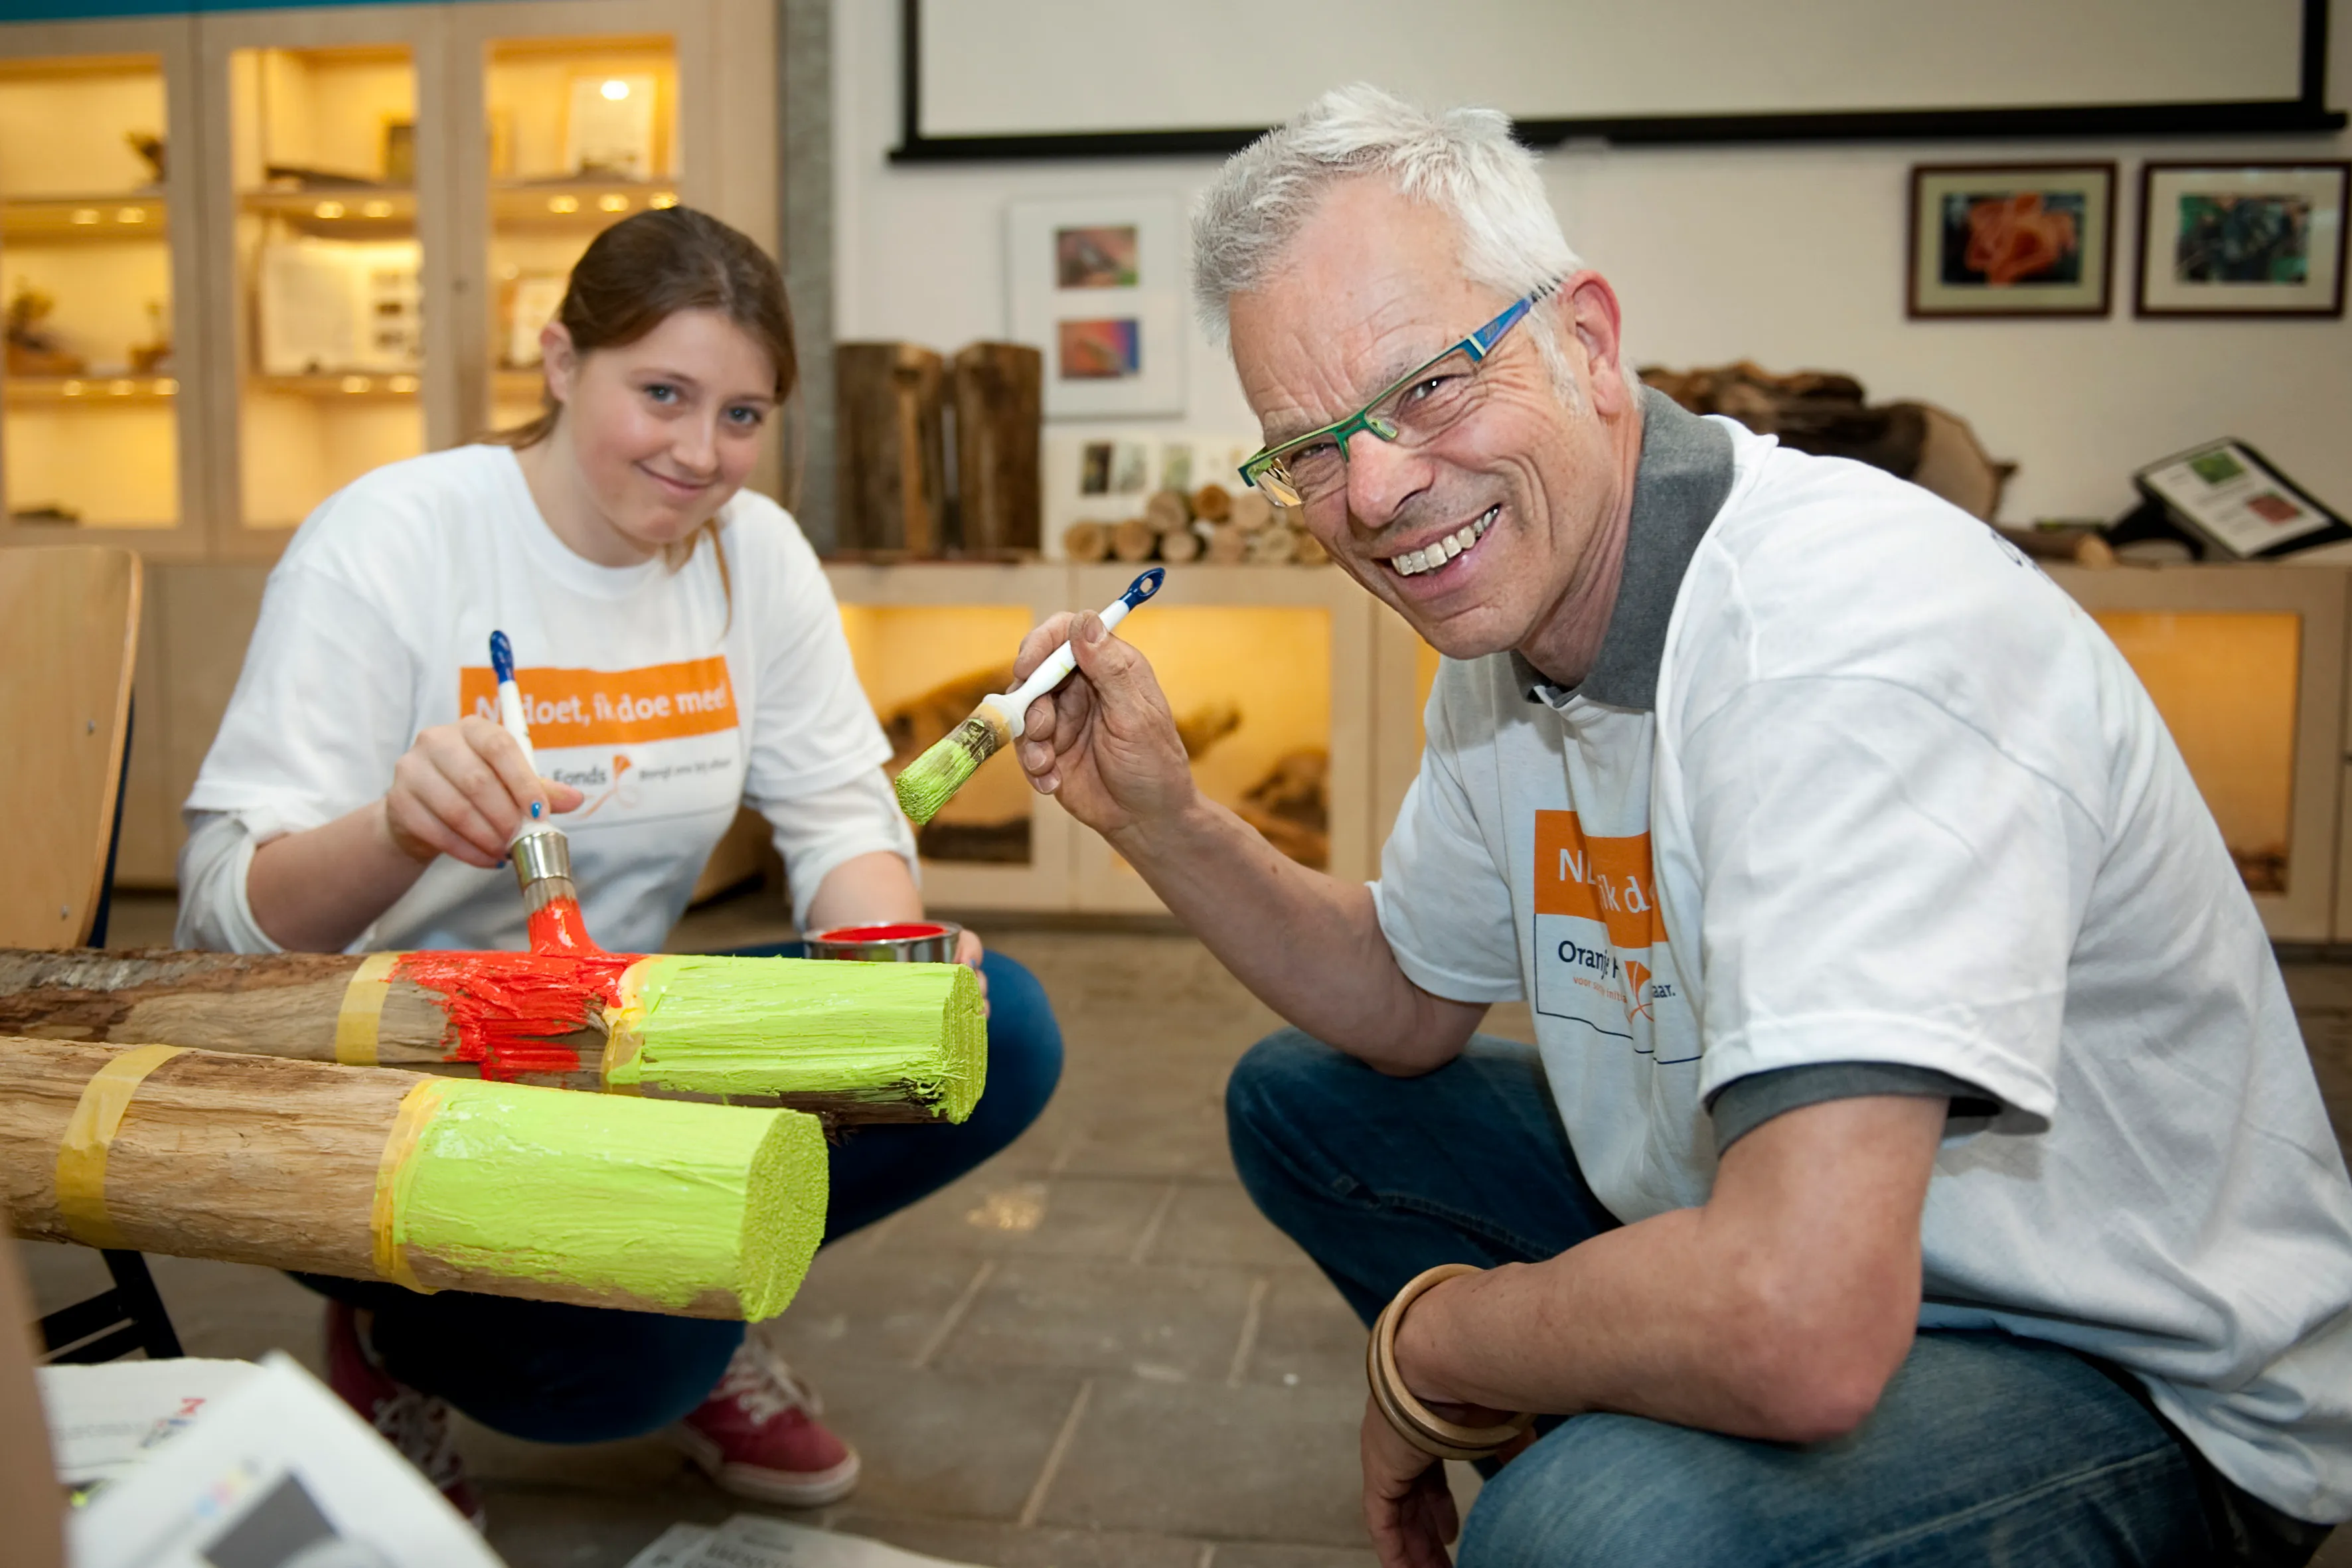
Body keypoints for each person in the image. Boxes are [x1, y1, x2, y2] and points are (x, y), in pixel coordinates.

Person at [1007, 85, 2352, 1568]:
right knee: (1310, 1103)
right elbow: (1400, 1000)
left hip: (2129, 1364)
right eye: (1309, 446)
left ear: (1584, 337)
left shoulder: (1844, 640)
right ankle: (1662, 1422)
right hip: (1791, 1223)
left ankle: (1648, 1471)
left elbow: (1802, 1324)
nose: (1377, 489)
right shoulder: (1511, 626)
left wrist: (1436, 1342)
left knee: (1585, 1529)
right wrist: (1163, 817)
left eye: (1429, 388)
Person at [176, 206, 1060, 1522]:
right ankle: (398, 1336)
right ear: (556, 360)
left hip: (609, 1044)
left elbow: (839, 815)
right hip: (382, 1066)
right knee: (624, 1364)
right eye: (662, 393)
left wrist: (887, 980)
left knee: (993, 1031)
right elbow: (218, 924)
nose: (702, 454)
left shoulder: (753, 553)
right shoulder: (391, 537)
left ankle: (687, 1271)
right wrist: (396, 827)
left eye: (744, 415)